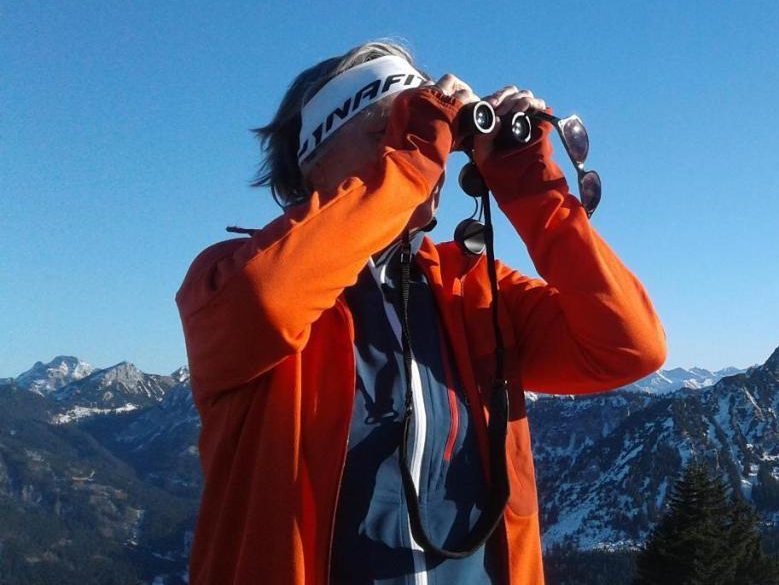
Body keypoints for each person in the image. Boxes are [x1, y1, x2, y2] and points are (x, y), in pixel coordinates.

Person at [174, 40, 667, 585]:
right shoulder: (225, 278)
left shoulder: (471, 290)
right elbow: (268, 301)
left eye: (433, 134)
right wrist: (409, 163)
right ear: (314, 162)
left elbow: (629, 346)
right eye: (395, 131)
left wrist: (532, 187)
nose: (426, 155)